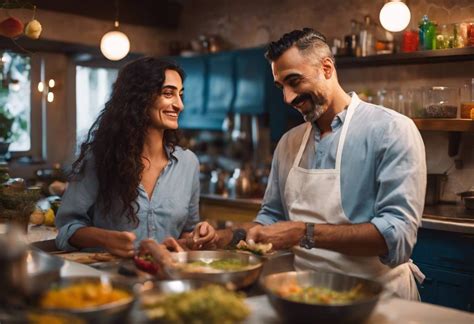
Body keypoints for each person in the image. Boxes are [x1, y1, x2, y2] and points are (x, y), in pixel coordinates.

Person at [205, 28, 427, 300]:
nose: (287, 98)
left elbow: (397, 237)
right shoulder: (289, 143)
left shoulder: (391, 130)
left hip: (381, 298)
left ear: (327, 67)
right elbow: (270, 219)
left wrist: (304, 233)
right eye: (281, 87)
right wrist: (221, 238)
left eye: (295, 81)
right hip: (307, 296)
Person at [55, 57, 214, 257]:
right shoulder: (99, 158)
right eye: (168, 93)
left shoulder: (188, 163)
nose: (179, 105)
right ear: (139, 97)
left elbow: (187, 231)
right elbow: (66, 229)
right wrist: (106, 238)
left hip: (165, 279)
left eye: (180, 95)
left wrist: (198, 235)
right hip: (110, 281)